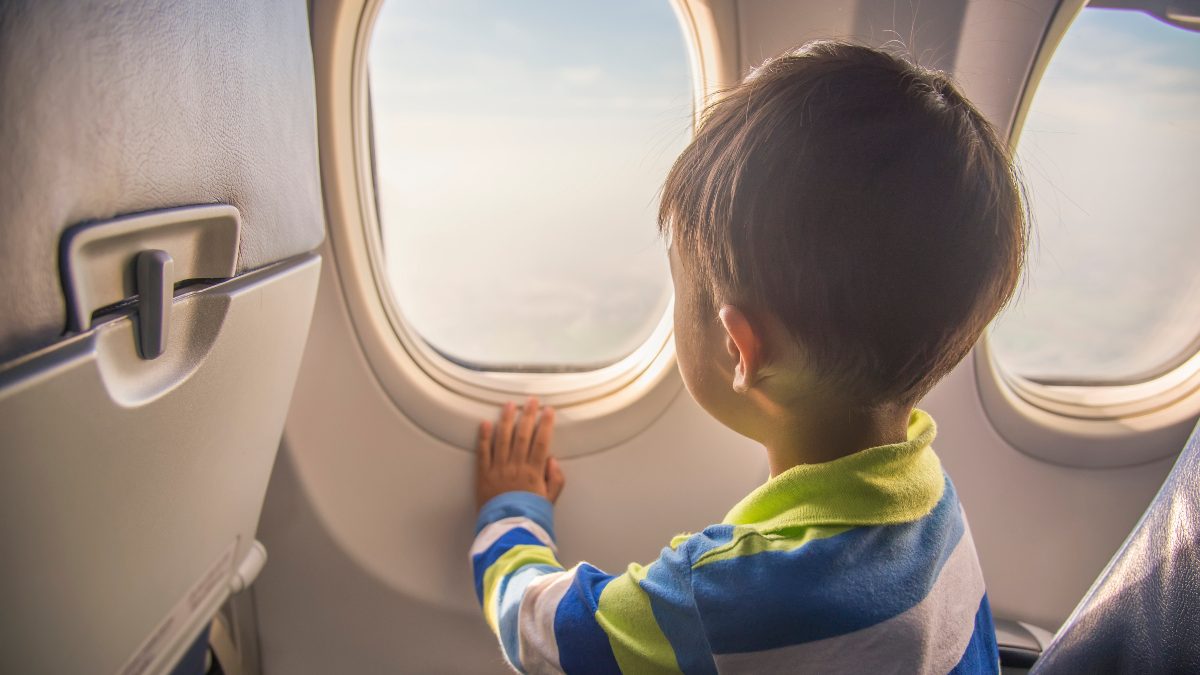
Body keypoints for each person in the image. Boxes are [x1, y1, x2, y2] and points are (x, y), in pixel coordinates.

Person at [470, 39, 1026, 674]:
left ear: (740, 347)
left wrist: (511, 509)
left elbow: (538, 631)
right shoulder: (933, 504)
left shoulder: (719, 601)